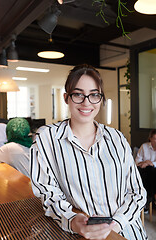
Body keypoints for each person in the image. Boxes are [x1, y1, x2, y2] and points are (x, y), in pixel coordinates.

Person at [28, 64, 147, 240]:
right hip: (79, 234)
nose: (86, 102)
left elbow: (137, 192)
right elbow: (47, 191)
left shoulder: (117, 137)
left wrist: (115, 224)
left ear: (101, 99)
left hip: (127, 232)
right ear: (66, 98)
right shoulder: (47, 138)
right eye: (78, 94)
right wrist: (71, 219)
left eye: (94, 95)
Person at [135, 130, 156, 213]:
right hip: (143, 169)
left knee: (149, 170)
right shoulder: (144, 146)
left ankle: (145, 202)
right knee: (145, 171)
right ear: (150, 139)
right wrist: (145, 163)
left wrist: (147, 163)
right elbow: (137, 161)